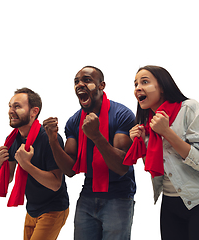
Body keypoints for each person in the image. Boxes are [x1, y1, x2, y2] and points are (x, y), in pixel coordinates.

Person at [125, 65, 199, 240]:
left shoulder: (189, 109)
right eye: (135, 84)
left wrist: (167, 132)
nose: (137, 88)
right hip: (169, 203)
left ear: (162, 87)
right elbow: (158, 167)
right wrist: (140, 143)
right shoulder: (147, 124)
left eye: (145, 82)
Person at [43, 66, 136, 240]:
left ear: (101, 85)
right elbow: (69, 170)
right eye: (76, 81)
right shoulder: (74, 121)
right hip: (87, 195)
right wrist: (53, 140)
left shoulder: (122, 114)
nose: (80, 84)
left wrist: (96, 136)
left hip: (118, 197)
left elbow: (122, 167)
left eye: (86, 80)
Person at [0, 88, 69, 240]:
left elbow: (55, 183)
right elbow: (8, 178)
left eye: (17, 106)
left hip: (53, 209)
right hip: (32, 210)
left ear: (34, 111)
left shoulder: (50, 139)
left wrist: (27, 165)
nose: (11, 111)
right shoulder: (13, 139)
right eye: (10, 106)